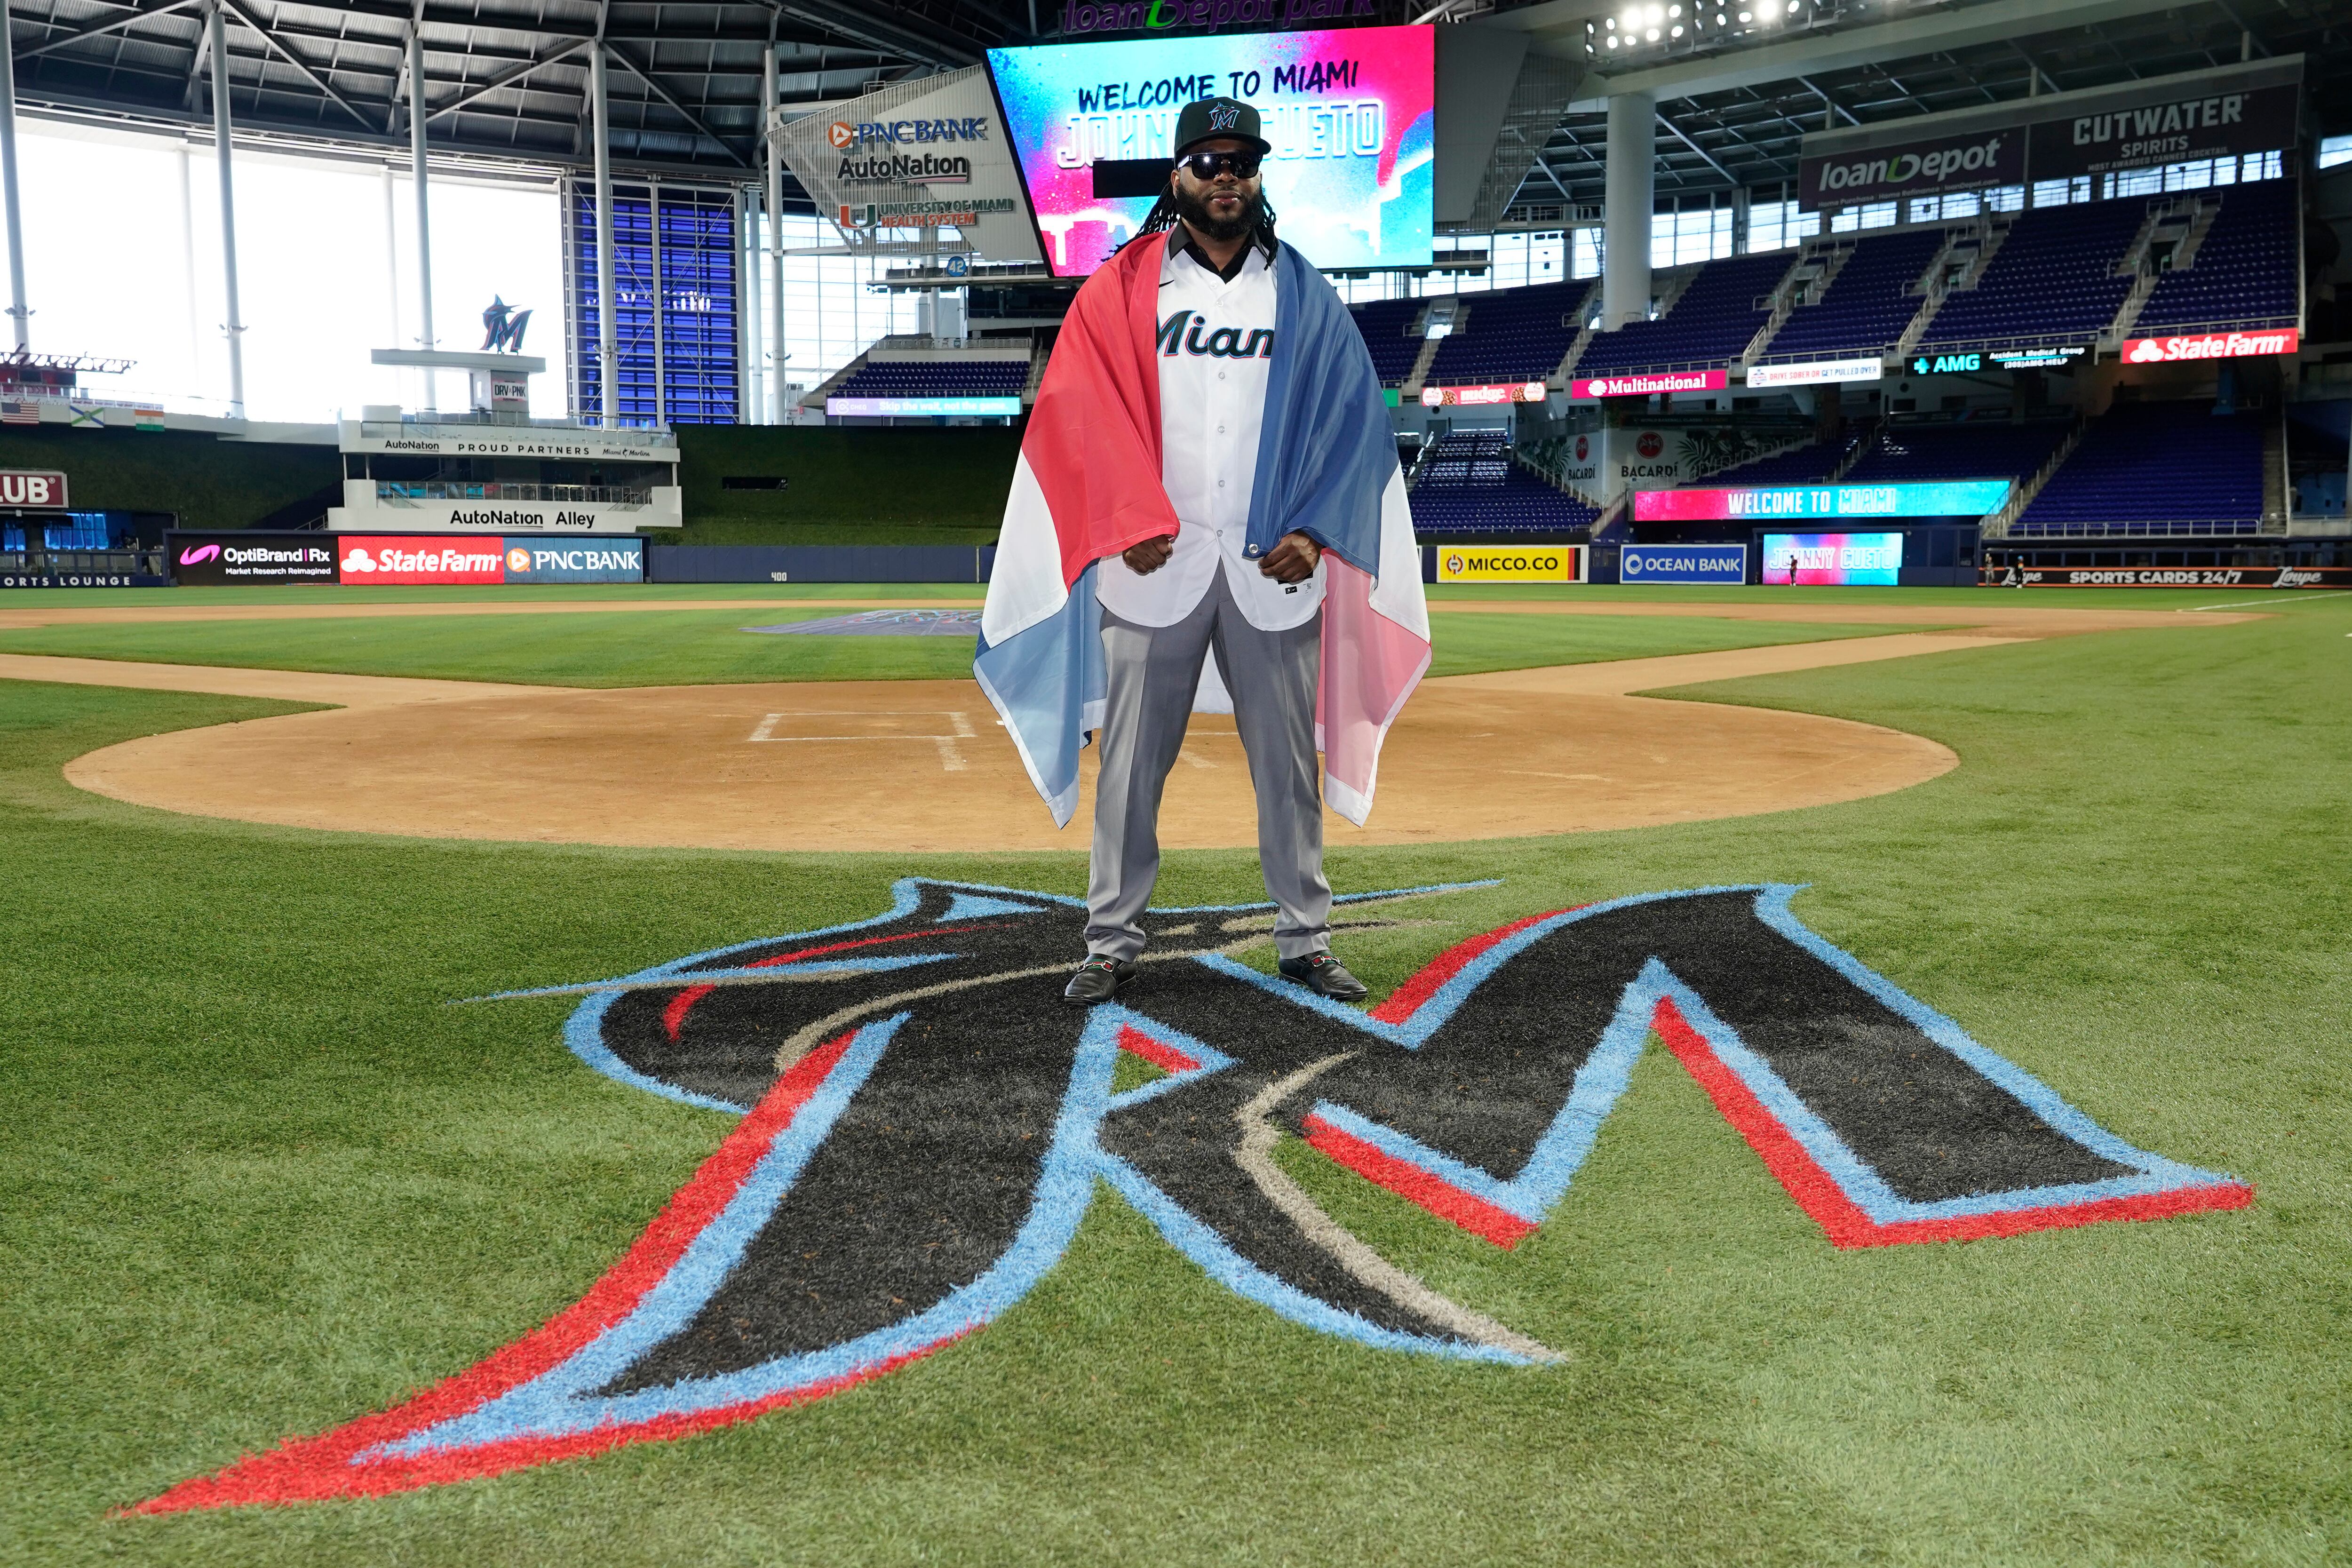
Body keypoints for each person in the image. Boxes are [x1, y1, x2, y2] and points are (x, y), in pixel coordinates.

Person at [973, 96, 1430, 1011]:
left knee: (1288, 771)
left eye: (1242, 164)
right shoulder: (1121, 288)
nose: (1227, 177)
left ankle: (1305, 940)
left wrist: (1314, 530)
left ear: (1257, 179)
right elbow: (1079, 405)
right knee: (1129, 771)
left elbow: (1351, 421)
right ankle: (1110, 942)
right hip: (1152, 564)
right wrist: (1121, 517)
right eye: (1209, 162)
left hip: (1272, 570)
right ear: (1176, 176)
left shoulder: (1301, 292)